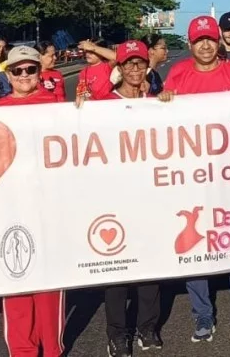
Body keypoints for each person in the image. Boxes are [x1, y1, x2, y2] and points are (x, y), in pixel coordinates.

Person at [159, 15, 230, 346]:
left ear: (218, 43)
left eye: (210, 39)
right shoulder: (178, 74)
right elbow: (161, 125)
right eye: (199, 40)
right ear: (190, 44)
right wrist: (163, 104)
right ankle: (202, 312)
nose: (205, 45)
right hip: (192, 176)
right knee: (194, 243)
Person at [0, 46, 67, 357]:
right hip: (10, 208)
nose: (24, 76)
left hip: (48, 206)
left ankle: (51, 348)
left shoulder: (57, 106)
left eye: (30, 70)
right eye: (17, 70)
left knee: (49, 283)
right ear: (8, 74)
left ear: (39, 71)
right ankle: (22, 349)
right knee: (16, 278)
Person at [87, 41, 163, 356]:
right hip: (113, 198)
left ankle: (148, 328)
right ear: (119, 68)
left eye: (139, 64)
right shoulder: (102, 103)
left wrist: (169, 105)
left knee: (151, 268)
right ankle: (117, 333)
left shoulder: (156, 102)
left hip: (149, 195)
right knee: (117, 269)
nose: (134, 70)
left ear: (147, 66)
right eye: (128, 64)